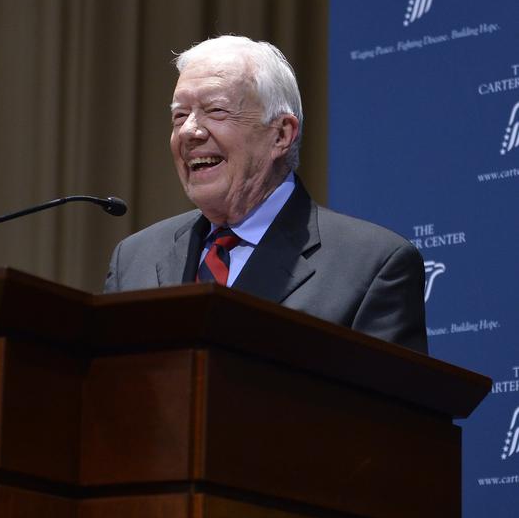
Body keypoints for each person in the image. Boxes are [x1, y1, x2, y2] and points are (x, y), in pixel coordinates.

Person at [104, 35, 427, 353]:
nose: (189, 131)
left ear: (281, 135)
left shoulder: (371, 264)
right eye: (179, 115)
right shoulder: (134, 259)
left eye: (215, 110)